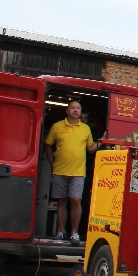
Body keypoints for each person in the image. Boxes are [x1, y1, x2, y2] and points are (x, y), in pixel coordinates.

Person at [44, 100, 98, 243]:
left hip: (78, 172)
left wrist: (102, 141)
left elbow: (90, 149)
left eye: (78, 108)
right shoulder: (57, 127)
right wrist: (52, 162)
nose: (76, 110)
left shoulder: (85, 129)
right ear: (67, 111)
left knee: (75, 200)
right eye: (73, 108)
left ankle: (74, 233)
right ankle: (62, 231)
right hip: (60, 170)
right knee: (61, 201)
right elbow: (48, 144)